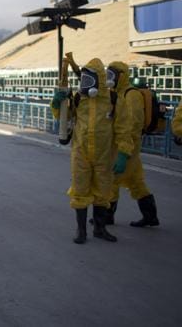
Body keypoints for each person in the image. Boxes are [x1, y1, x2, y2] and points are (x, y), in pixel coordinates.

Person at [51, 58, 133, 244]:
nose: (85, 85)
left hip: (105, 155)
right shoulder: (79, 99)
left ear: (100, 80)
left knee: (103, 192)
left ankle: (99, 228)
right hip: (81, 153)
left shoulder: (113, 100)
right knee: (80, 191)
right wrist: (57, 103)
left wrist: (123, 153)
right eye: (83, 81)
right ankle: (81, 231)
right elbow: (63, 116)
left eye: (89, 81)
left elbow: (123, 128)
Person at [105, 62, 159, 227]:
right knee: (135, 181)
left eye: (112, 76)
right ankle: (150, 217)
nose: (109, 79)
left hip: (128, 145)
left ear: (121, 76)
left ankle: (106, 217)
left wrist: (124, 150)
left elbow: (134, 122)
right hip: (125, 144)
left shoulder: (131, 94)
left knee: (113, 179)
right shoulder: (115, 93)